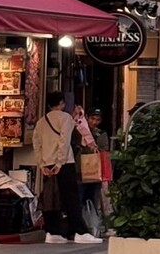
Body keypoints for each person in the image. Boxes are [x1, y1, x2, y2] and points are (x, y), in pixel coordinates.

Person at [34, 93, 102, 244]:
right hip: (65, 163)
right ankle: (79, 231)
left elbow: (36, 144)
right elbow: (64, 140)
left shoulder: (41, 122)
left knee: (51, 198)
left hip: (47, 164)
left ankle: (53, 231)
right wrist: (60, 163)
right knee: (71, 197)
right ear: (61, 103)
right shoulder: (64, 117)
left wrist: (42, 164)